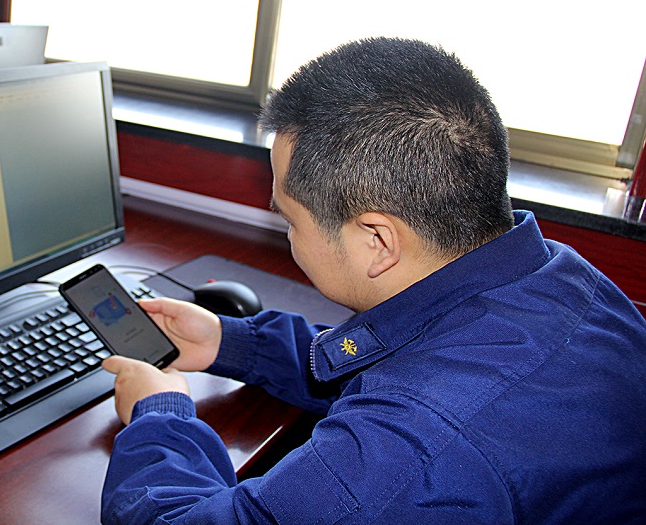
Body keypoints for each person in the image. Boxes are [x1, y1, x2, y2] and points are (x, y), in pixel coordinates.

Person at [100, 38, 646, 524]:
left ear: (378, 240)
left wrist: (161, 415)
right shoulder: (562, 276)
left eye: (290, 219)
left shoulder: (415, 454)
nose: (287, 234)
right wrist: (234, 342)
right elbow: (405, 353)